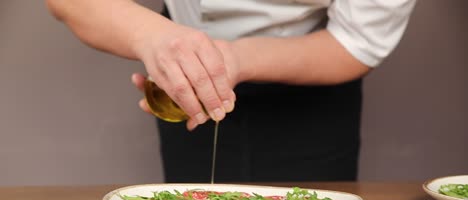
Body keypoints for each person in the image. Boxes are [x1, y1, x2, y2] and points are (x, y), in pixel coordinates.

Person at [46, 0, 417, 183]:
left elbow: (358, 40)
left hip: (309, 83)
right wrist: (152, 36)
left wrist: (235, 57)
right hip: (182, 79)